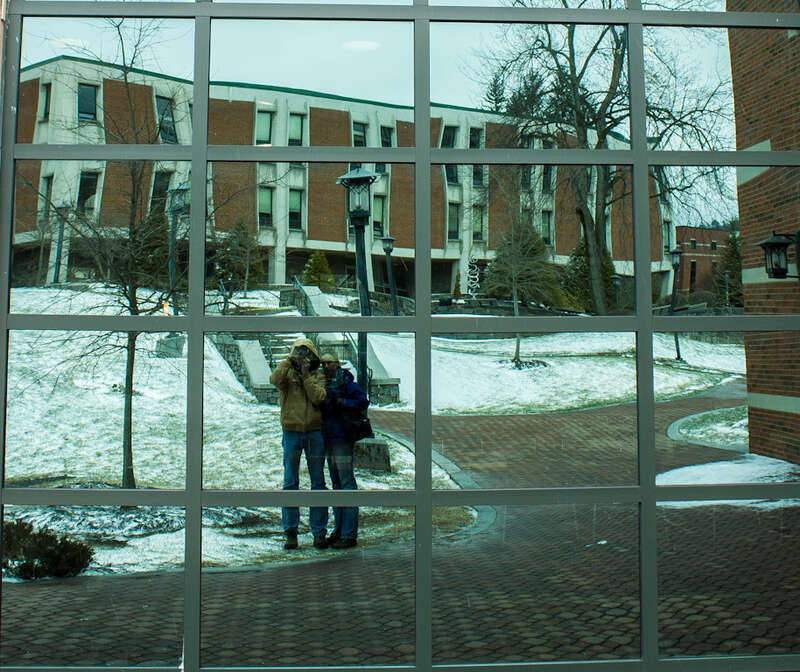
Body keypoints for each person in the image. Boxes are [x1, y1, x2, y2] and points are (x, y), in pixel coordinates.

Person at [269, 338, 328, 551]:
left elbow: (318, 397)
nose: (304, 358)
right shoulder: (287, 374)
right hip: (291, 431)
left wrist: (305, 376)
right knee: (290, 481)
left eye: (307, 354)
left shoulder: (317, 376)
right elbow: (274, 380)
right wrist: (288, 361)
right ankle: (290, 532)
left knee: (318, 483)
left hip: (314, 432)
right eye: (300, 353)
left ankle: (319, 532)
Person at [319, 352, 369, 549]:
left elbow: (363, 401)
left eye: (329, 363)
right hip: (329, 438)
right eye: (323, 363)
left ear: (337, 364)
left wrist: (343, 402)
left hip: (342, 437)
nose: (325, 366)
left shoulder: (346, 382)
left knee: (346, 482)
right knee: (337, 484)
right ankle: (339, 530)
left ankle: (349, 533)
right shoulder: (324, 383)